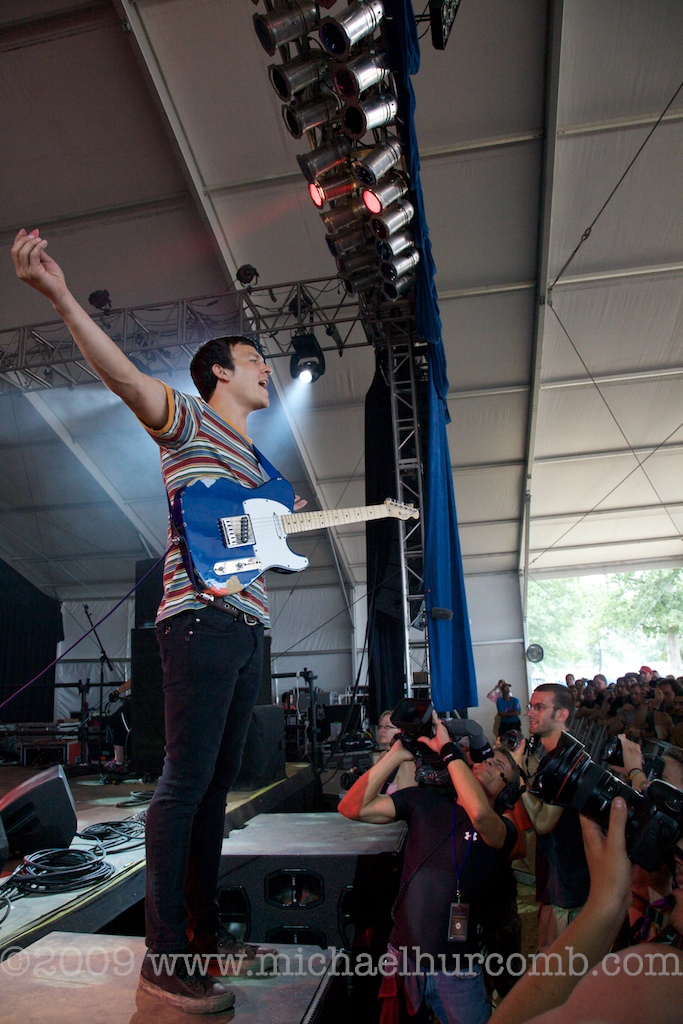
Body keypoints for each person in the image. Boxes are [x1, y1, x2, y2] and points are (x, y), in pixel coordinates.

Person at [12, 228, 296, 1013]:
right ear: (218, 372)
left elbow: (251, 546)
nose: (266, 368)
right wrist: (61, 296)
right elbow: (124, 378)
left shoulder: (262, 467)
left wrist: (273, 525)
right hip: (198, 621)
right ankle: (163, 956)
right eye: (253, 359)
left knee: (213, 792)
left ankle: (201, 940)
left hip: (246, 628)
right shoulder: (188, 420)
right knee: (182, 786)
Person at [339, 711, 521, 1024]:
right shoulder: (426, 800)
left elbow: (480, 815)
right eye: (486, 760)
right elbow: (351, 807)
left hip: (456, 969)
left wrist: (449, 751)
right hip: (403, 958)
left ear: (507, 791)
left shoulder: (504, 829)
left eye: (498, 766)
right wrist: (397, 754)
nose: (487, 764)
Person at [488, 800, 683, 1024]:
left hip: (571, 892)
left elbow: (542, 824)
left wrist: (605, 903)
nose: (676, 857)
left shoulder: (658, 981)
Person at [522, 684, 590, 951]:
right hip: (554, 878)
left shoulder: (568, 761)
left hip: (568, 882)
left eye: (539, 707)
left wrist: (519, 783)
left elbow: (543, 823)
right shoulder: (552, 757)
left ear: (561, 714)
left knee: (561, 962)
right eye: (530, 706)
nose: (530, 713)